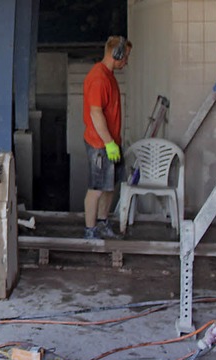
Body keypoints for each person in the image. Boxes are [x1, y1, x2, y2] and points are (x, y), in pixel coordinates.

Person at [82, 35, 132, 239]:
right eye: (125, 56)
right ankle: (90, 230)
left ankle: (102, 223)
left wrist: (114, 143)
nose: (127, 61)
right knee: (97, 188)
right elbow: (96, 113)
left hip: (111, 142)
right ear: (116, 54)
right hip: (100, 143)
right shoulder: (99, 78)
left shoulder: (109, 75)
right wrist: (108, 143)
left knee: (109, 186)